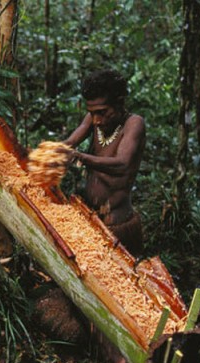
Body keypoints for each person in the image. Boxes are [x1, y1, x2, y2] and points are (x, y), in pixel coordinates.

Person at [63, 69, 146, 257]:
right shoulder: (93, 119)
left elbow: (122, 164)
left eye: (102, 113)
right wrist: (44, 154)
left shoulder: (133, 124)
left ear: (119, 103)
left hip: (117, 225)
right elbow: (69, 143)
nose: (96, 120)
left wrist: (81, 157)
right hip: (91, 218)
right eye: (91, 113)